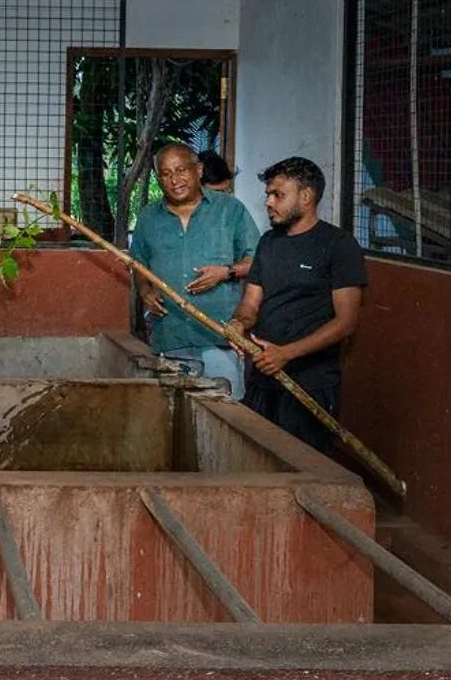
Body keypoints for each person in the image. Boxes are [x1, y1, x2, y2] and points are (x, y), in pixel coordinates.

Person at [229, 155, 368, 453]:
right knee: (256, 460)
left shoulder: (338, 245)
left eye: (278, 194)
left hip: (310, 384)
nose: (268, 201)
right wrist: (238, 323)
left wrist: (287, 354)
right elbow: (251, 303)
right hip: (263, 379)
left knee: (303, 463)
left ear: (306, 196)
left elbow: (346, 323)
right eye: (268, 194)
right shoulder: (268, 242)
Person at [130, 144, 260, 397]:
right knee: (175, 417)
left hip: (220, 336)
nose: (174, 180)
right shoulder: (148, 217)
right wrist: (145, 291)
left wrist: (226, 272)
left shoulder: (230, 210)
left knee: (225, 413)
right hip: (170, 337)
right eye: (165, 174)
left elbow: (257, 259)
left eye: (180, 170)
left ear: (198, 170)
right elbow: (139, 264)